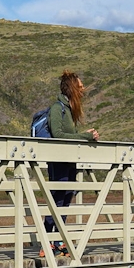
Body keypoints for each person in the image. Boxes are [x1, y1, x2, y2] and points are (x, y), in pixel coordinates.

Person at [43, 70, 98, 253]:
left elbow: (71, 136)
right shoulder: (57, 108)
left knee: (66, 199)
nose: (83, 90)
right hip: (58, 161)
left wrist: (86, 135)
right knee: (58, 199)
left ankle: (59, 240)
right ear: (72, 88)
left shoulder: (69, 109)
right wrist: (85, 136)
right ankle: (47, 240)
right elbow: (58, 134)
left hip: (69, 161)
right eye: (80, 87)